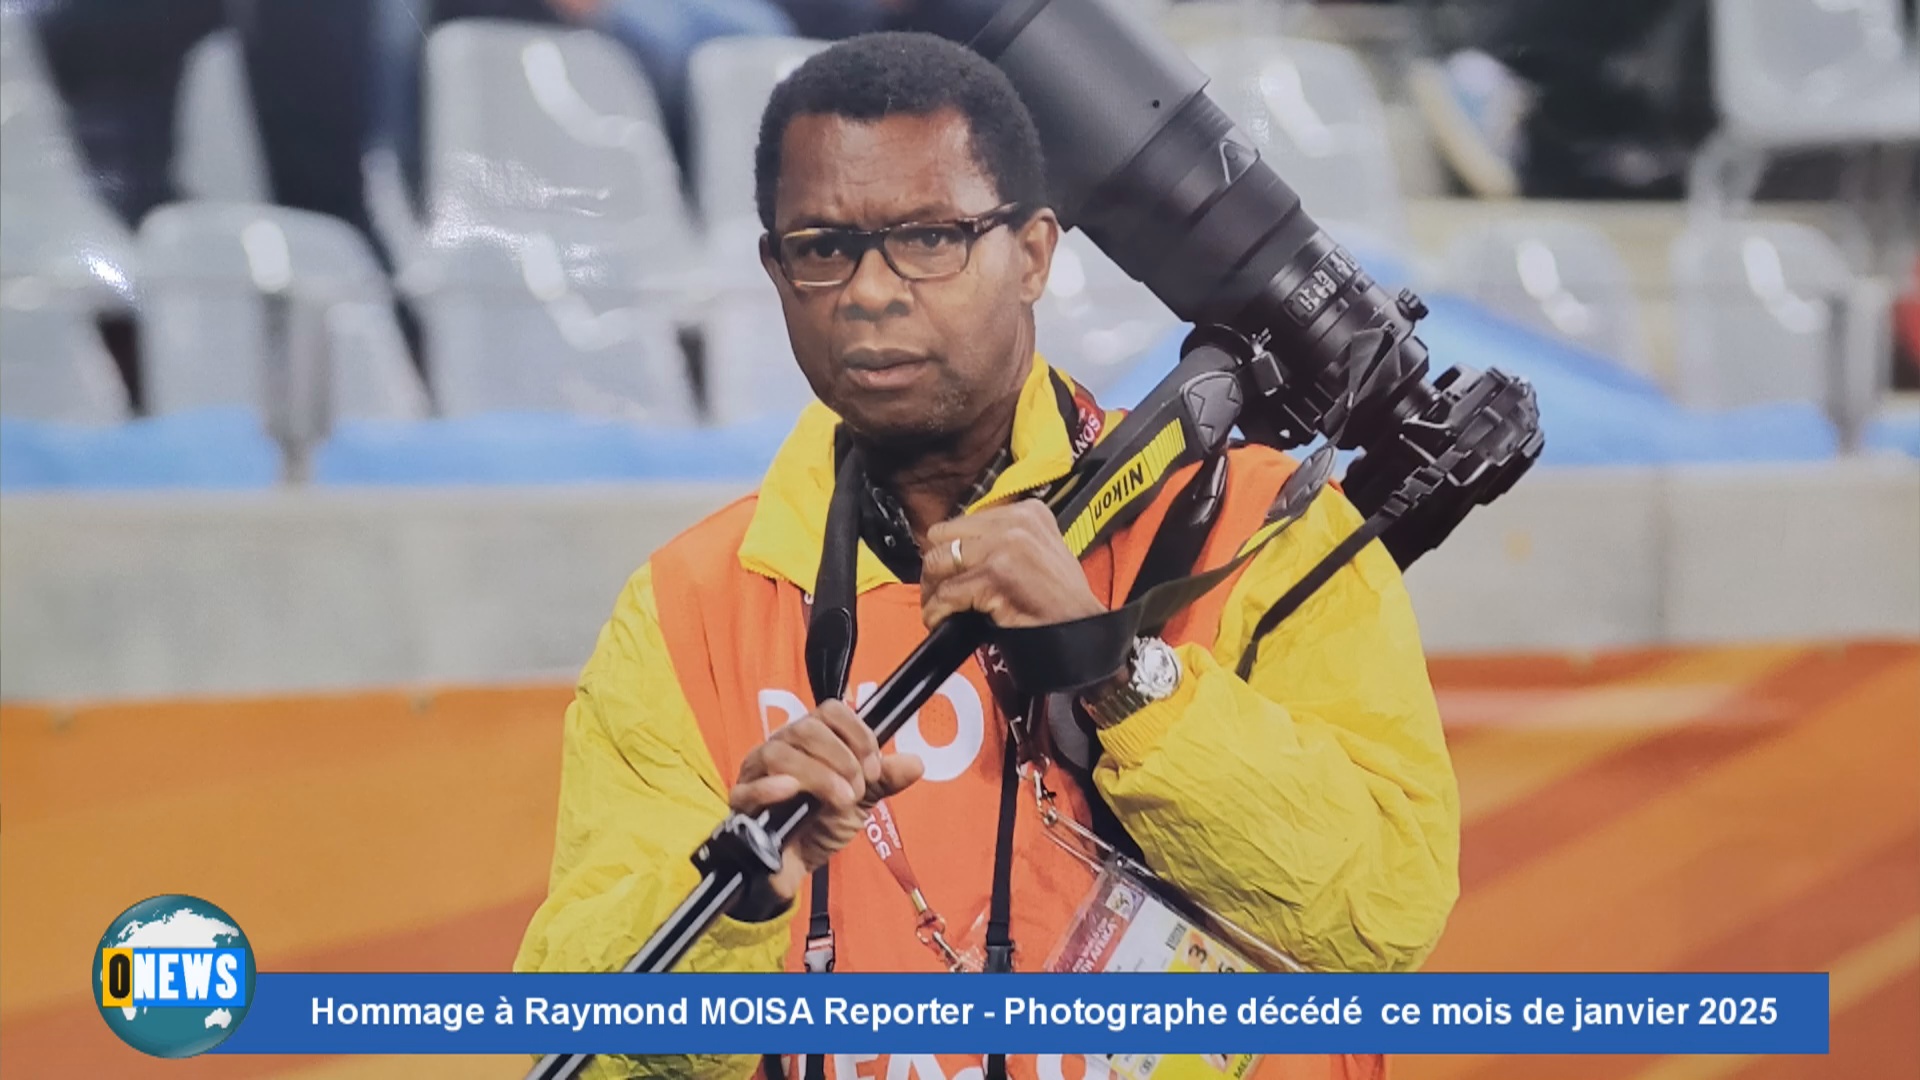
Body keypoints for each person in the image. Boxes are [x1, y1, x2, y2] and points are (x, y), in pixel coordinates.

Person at [515, 31, 1459, 1080]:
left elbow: (1381, 919)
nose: (869, 291)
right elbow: (587, 1032)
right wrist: (746, 897)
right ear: (774, 275)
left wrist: (1124, 676)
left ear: (1036, 255)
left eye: (930, 239)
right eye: (821, 247)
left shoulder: (1266, 529)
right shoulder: (692, 606)